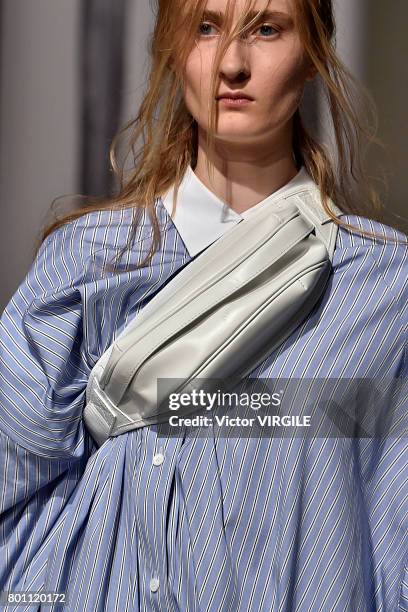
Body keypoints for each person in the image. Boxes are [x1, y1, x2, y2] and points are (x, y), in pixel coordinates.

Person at [0, 0, 407, 610]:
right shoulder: (81, 267)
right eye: (206, 28)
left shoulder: (383, 287)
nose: (232, 64)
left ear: (315, 54)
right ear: (171, 47)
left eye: (267, 29)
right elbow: (14, 515)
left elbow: (392, 538)